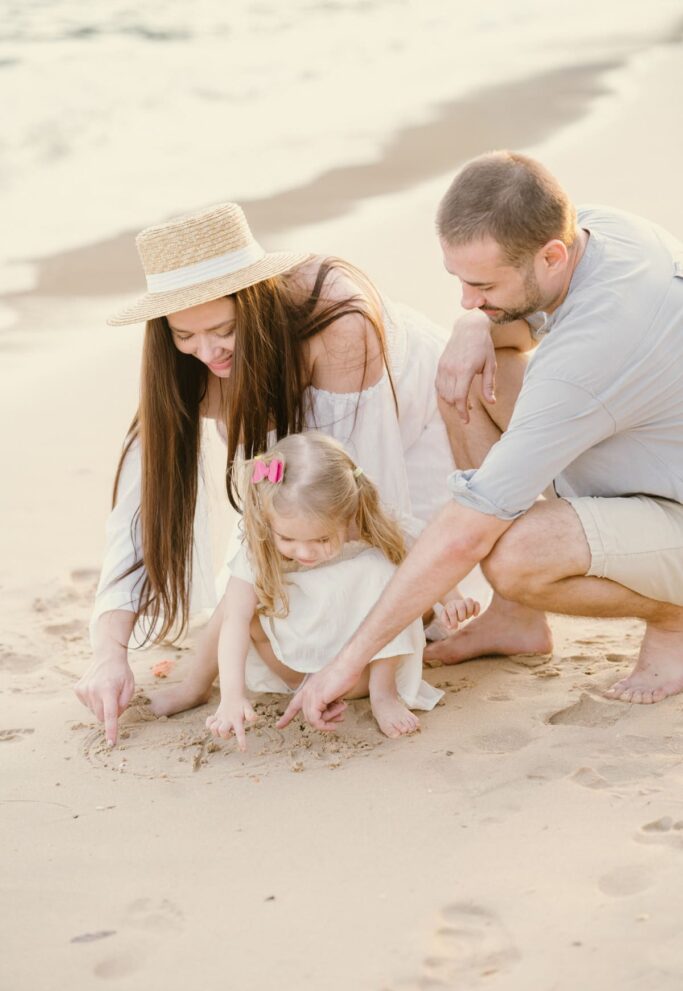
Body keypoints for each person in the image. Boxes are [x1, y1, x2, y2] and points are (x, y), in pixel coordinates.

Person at [278, 150, 683, 732]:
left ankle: (673, 618)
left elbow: (467, 531)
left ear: (551, 255)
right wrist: (474, 327)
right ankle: (517, 619)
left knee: (515, 552)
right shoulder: (595, 229)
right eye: (460, 281)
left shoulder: (588, 357)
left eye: (483, 285)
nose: (467, 299)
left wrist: (347, 662)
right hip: (647, 451)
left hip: (669, 504)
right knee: (463, 374)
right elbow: (516, 325)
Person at [74, 202, 459, 744]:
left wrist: (370, 640)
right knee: (256, 578)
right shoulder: (187, 364)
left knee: (379, 588)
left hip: (423, 424)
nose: (206, 352)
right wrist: (108, 652)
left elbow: (362, 494)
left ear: (254, 302)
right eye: (184, 335)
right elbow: (140, 511)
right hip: (313, 460)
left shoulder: (337, 322)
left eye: (223, 329)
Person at [161, 433, 469, 742]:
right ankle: (195, 686)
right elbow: (236, 622)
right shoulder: (261, 541)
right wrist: (232, 696)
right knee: (233, 604)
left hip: (354, 672)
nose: (304, 552)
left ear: (347, 516)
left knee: (384, 571)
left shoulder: (365, 523)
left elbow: (423, 554)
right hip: (288, 663)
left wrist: (451, 597)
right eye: (288, 539)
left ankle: (384, 694)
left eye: (322, 539)